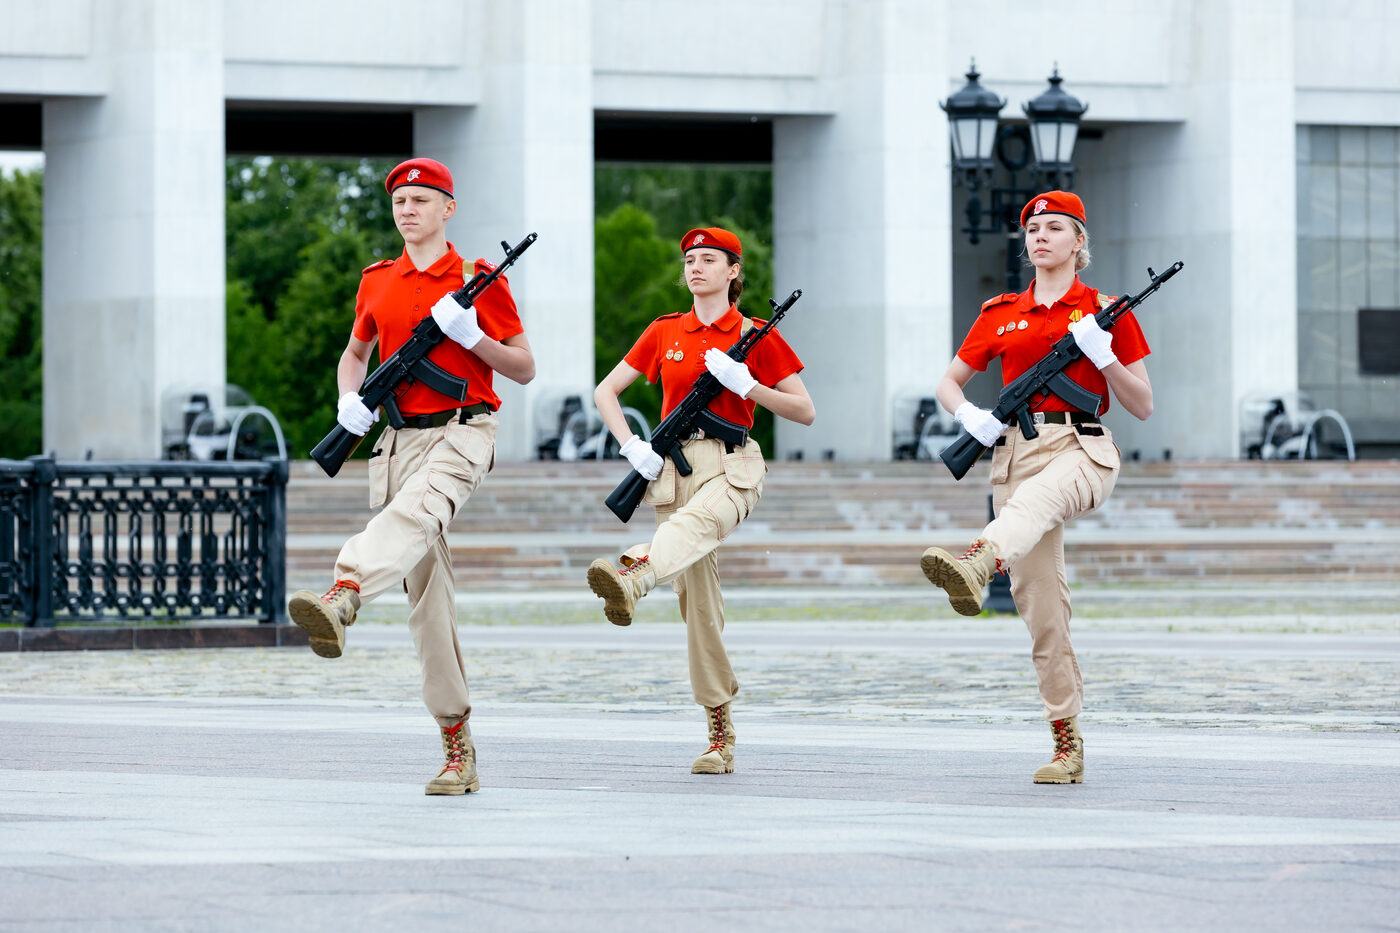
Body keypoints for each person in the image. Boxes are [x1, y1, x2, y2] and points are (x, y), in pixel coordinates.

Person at [286, 157, 536, 796]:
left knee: (416, 515)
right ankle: (458, 748)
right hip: (398, 440)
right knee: (428, 602)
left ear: (448, 210)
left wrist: (474, 337)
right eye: (400, 200)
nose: (408, 209)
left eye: (423, 200)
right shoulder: (378, 280)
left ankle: (343, 589)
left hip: (463, 430)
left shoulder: (477, 281)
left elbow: (524, 368)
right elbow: (355, 352)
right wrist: (349, 396)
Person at [920, 190, 1153, 785]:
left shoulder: (1107, 310)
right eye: (1033, 229)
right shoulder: (1000, 312)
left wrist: (1105, 358)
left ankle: (977, 560)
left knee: (1033, 503)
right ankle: (1066, 744)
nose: (1041, 237)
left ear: (1080, 242)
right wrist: (968, 415)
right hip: (1016, 450)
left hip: (1082, 448)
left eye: (1056, 228)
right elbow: (949, 382)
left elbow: (1143, 404)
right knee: (1042, 611)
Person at [587, 227, 815, 775]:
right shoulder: (666, 331)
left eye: (709, 259)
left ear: (733, 272)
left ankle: (637, 571)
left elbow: (804, 411)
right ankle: (719, 729)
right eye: (689, 259)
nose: (696, 267)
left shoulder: (755, 335)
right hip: (669, 467)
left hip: (731, 464)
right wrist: (632, 446)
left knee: (694, 527)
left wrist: (747, 386)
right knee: (699, 607)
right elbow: (605, 391)